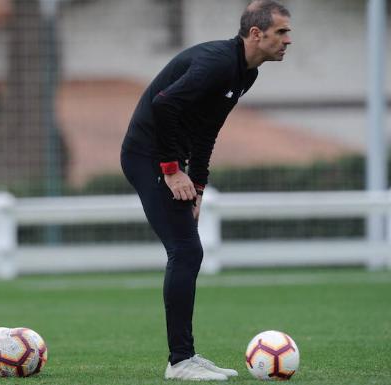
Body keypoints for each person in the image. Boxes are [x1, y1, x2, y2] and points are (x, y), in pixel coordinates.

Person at [120, 0, 292, 381]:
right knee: (185, 250)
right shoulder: (217, 62)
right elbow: (164, 107)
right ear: (255, 34)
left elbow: (206, 130)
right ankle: (180, 362)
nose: (288, 40)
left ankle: (186, 357)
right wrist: (170, 171)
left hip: (167, 158)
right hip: (146, 155)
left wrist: (196, 183)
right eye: (281, 32)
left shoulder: (244, 73)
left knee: (187, 250)